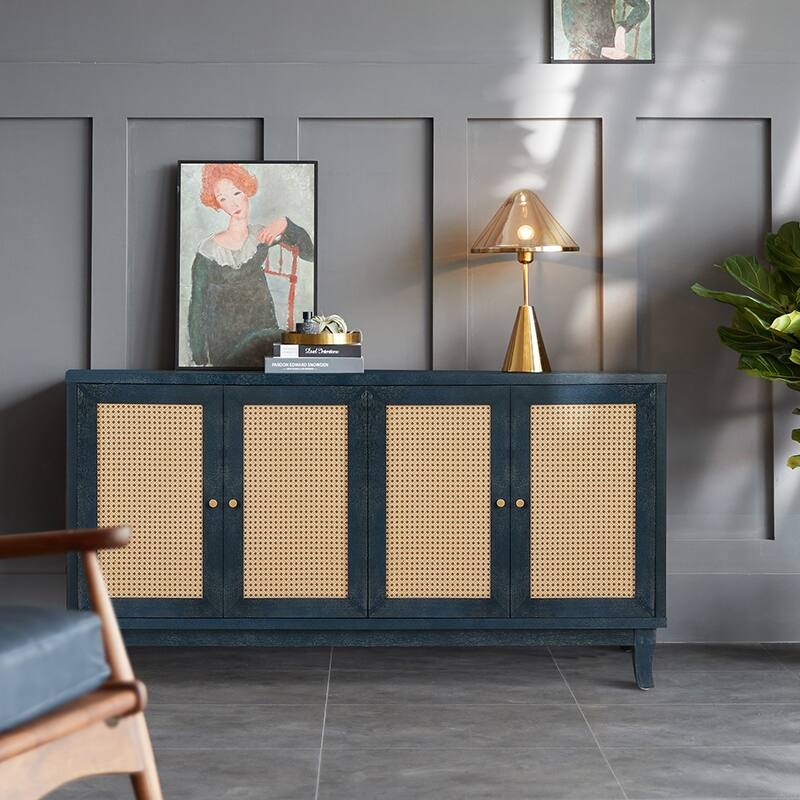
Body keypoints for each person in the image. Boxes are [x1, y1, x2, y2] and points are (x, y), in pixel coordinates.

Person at [187, 163, 314, 367]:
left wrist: (285, 223)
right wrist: (200, 360)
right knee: (281, 344)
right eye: (223, 199)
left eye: (236, 193)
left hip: (265, 333)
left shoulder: (261, 235)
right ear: (217, 205)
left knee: (285, 345)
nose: (233, 203)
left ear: (246, 190)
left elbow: (310, 253)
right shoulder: (207, 250)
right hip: (226, 347)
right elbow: (197, 305)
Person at [560, 0, 650, 60]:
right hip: (583, 50)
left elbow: (643, 6)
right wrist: (601, 51)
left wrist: (623, 28)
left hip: (611, 47)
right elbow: (571, 30)